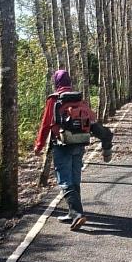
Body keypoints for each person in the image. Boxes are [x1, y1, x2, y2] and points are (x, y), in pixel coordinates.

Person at [34, 70, 113, 231]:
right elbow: (91, 121)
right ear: (69, 81)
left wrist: (39, 145)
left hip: (62, 145)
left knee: (64, 180)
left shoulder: (54, 99)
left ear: (56, 83)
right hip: (80, 144)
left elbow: (46, 124)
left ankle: (77, 214)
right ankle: (72, 212)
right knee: (75, 178)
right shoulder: (79, 98)